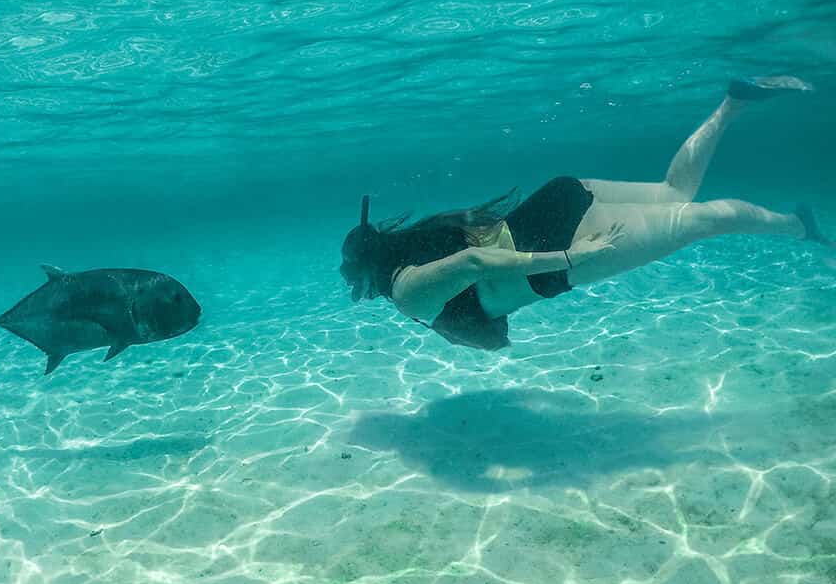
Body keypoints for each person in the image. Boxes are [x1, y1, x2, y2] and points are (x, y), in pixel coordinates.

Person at [339, 77, 829, 350]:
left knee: (701, 220)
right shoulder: (420, 248)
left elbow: (474, 263)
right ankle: (733, 102)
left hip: (562, 247)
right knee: (675, 191)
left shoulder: (407, 293)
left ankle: (796, 226)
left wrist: (573, 257)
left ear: (366, 275)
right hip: (557, 199)